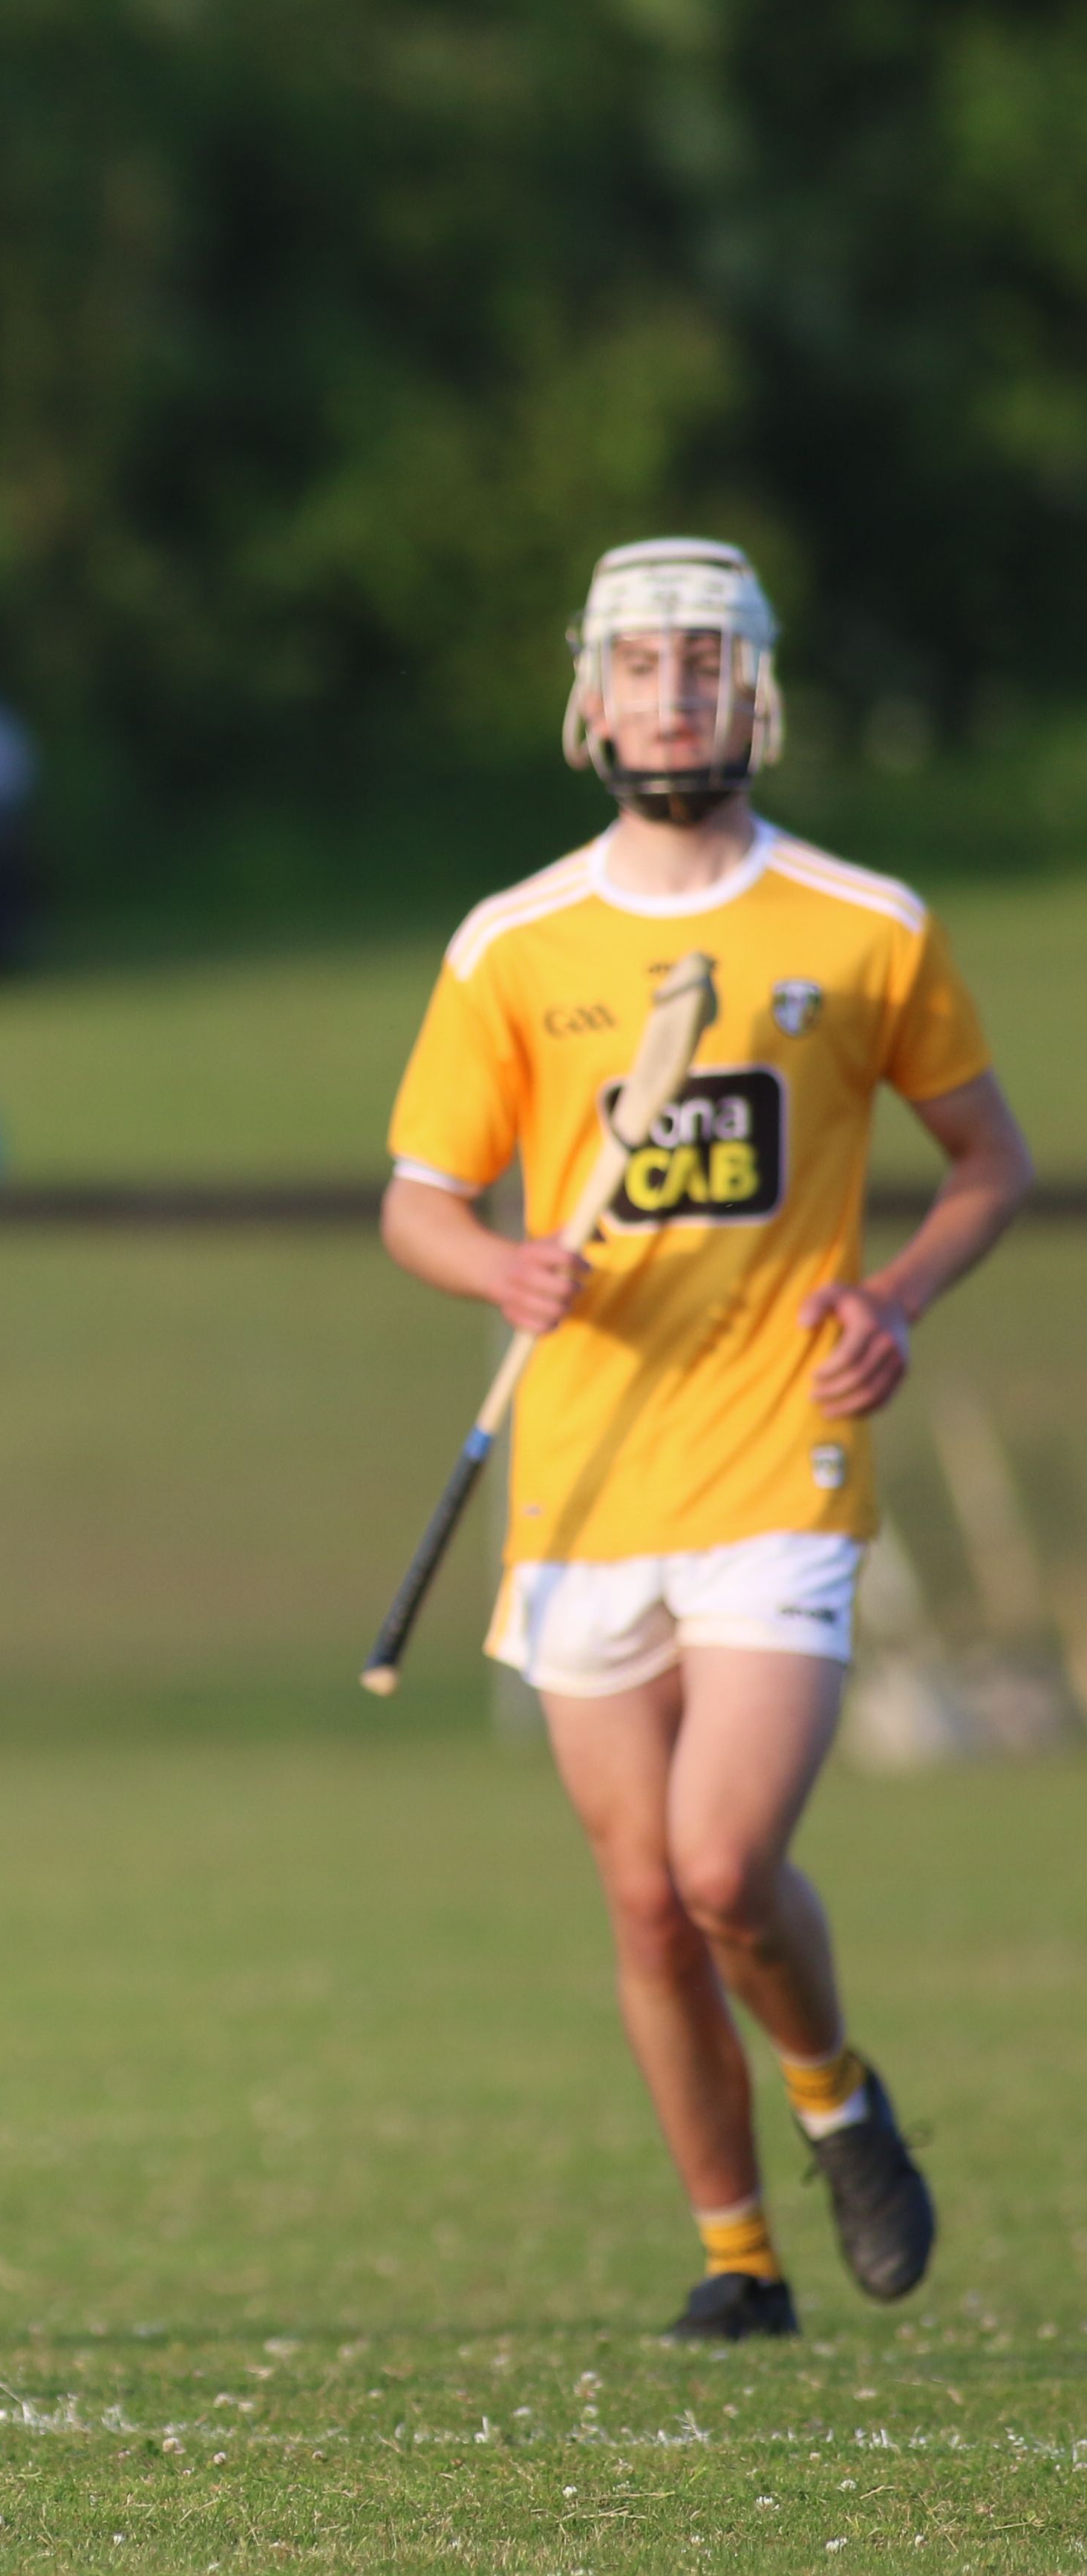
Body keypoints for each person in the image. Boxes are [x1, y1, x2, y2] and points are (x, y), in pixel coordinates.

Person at [378, 538, 1030, 2342]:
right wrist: (491, 1263)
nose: (670, 692)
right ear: (586, 702)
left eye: (701, 662)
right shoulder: (512, 945)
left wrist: (889, 1300)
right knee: (644, 1904)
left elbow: (988, 1164)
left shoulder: (859, 925)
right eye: (639, 665)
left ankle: (833, 2095)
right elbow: (414, 1201)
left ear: (754, 691)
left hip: (775, 1463)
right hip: (582, 1483)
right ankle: (735, 2253)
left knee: (721, 1862)